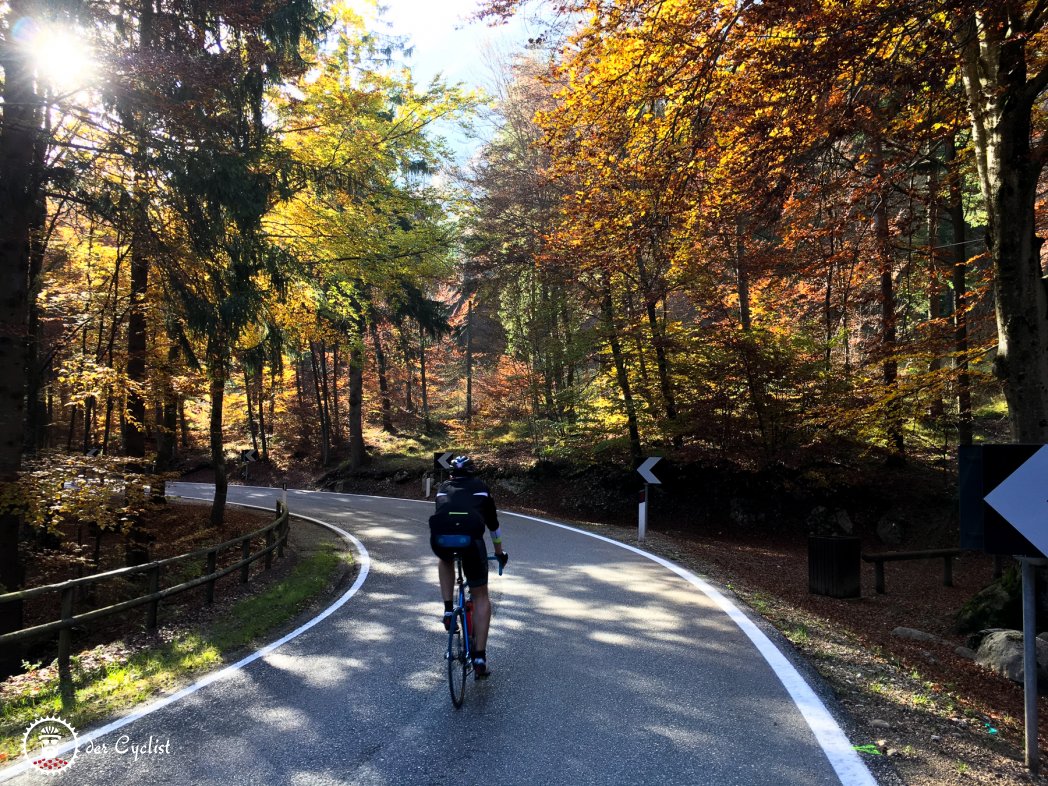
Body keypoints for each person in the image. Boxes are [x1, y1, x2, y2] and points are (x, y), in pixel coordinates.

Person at [429, 455, 508, 678]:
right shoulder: (481, 488)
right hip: (471, 543)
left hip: (441, 540)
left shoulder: (443, 488)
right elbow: (493, 526)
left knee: (444, 559)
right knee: (481, 596)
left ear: (452, 473)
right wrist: (500, 553)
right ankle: (480, 656)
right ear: (473, 472)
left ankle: (447, 608)